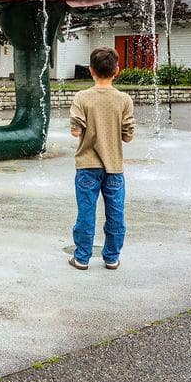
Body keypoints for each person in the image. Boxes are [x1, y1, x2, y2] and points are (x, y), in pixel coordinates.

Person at [68, 46, 135, 271]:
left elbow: (76, 132)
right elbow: (128, 137)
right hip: (114, 167)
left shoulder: (81, 97)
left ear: (90, 70)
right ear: (117, 70)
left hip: (87, 166)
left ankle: (82, 258)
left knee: (86, 214)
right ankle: (111, 257)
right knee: (116, 215)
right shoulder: (124, 99)